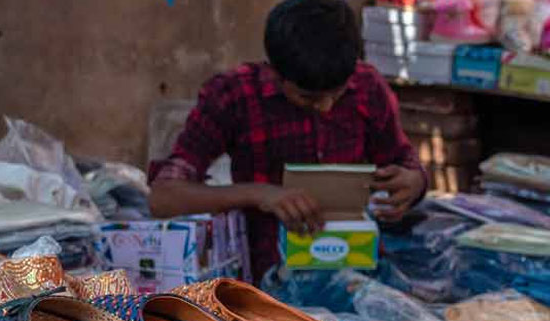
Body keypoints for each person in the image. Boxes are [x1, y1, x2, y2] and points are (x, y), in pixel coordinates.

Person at [149, 0, 427, 281]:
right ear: (273, 72)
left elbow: (404, 162)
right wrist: (260, 194)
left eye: (338, 93)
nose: (326, 107)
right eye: (308, 97)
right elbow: (164, 197)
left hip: (359, 271)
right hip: (268, 281)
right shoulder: (234, 95)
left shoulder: (368, 86)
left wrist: (413, 183)